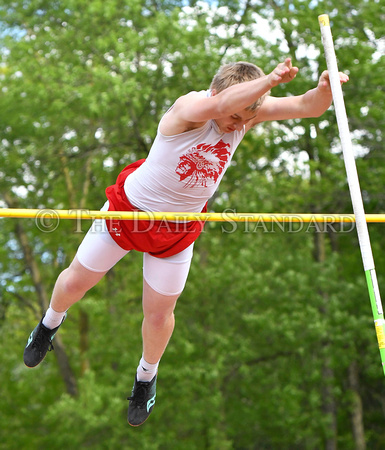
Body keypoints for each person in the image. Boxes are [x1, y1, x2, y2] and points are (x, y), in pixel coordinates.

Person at [23, 57, 349, 426]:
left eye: (246, 119)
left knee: (160, 313)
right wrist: (271, 80)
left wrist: (325, 89)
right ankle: (49, 323)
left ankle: (145, 377)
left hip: (178, 228)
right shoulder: (190, 109)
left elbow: (308, 107)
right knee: (76, 282)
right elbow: (224, 107)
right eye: (235, 118)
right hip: (130, 211)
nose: (237, 126)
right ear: (216, 93)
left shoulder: (247, 111)